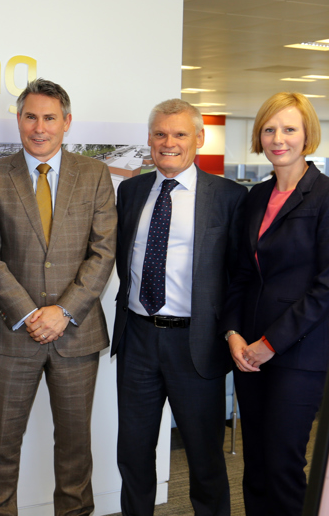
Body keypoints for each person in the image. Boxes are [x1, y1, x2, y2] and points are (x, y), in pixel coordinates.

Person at [0, 78, 117, 516]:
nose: (40, 128)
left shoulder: (94, 174)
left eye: (50, 118)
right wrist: (29, 313)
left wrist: (63, 312)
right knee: (0, 451)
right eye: (31, 117)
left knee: (75, 451)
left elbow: (103, 251)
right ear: (19, 120)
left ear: (67, 122)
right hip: (10, 335)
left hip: (77, 336)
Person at [111, 98, 246, 516]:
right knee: (133, 455)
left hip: (196, 343)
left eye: (180, 134)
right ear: (150, 139)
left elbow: (240, 274)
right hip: (137, 339)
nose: (169, 142)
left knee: (204, 460)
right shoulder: (131, 191)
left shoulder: (228, 196)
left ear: (199, 139)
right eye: (160, 133)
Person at [220, 92, 329, 516]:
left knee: (283, 463)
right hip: (249, 352)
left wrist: (271, 342)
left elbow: (324, 286)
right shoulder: (255, 197)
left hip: (298, 352)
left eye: (288, 129)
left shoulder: (323, 196)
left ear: (307, 136)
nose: (277, 138)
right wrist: (233, 333)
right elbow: (240, 275)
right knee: (256, 464)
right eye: (269, 129)